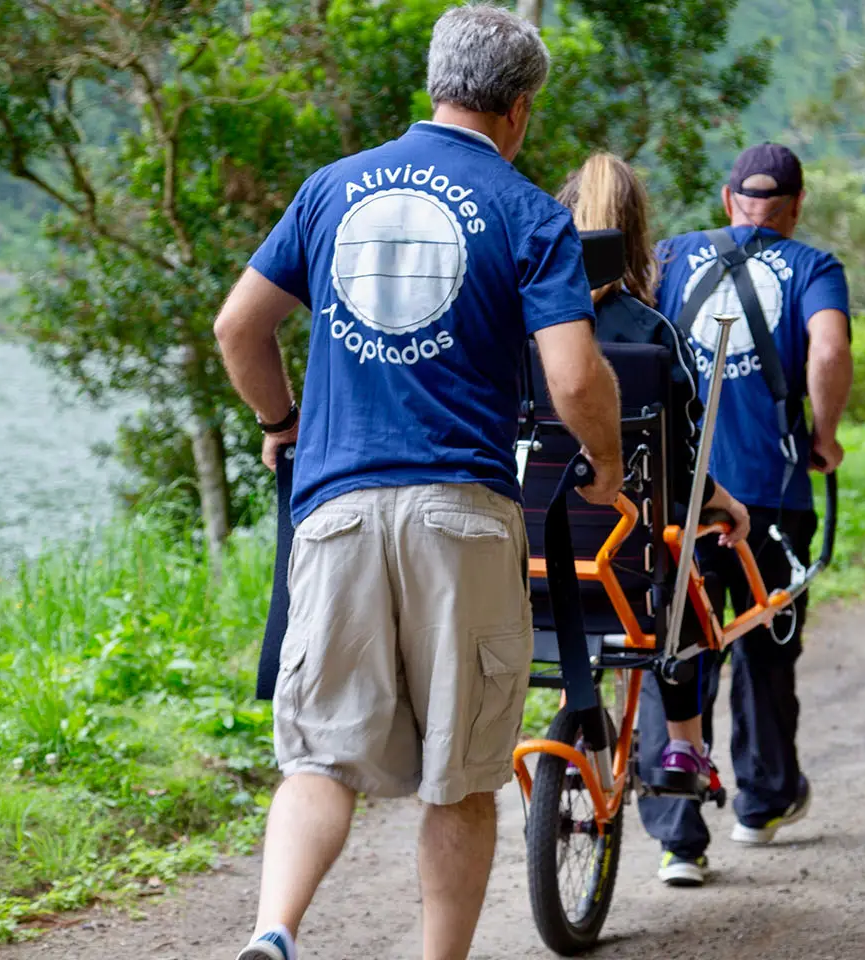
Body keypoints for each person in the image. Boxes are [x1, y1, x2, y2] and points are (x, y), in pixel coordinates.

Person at [210, 7, 623, 960]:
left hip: (337, 511)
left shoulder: (331, 188)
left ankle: (274, 932)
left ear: (435, 83)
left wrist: (280, 424)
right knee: (462, 777)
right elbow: (572, 378)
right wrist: (604, 463)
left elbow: (240, 327)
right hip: (462, 516)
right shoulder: (530, 213)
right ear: (520, 109)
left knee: (320, 757)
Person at [635, 143, 853, 887]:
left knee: (676, 646)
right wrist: (824, 436)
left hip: (679, 498)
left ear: (729, 201)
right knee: (766, 646)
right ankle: (761, 804)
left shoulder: (669, 257)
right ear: (796, 206)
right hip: (771, 494)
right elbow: (828, 349)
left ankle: (677, 837)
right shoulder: (813, 266)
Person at [554, 153, 751, 844]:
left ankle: (569, 724)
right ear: (637, 238)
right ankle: (685, 744)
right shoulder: (653, 334)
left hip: (534, 555)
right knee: (683, 584)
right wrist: (727, 505)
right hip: (632, 565)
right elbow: (682, 466)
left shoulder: (525, 325)